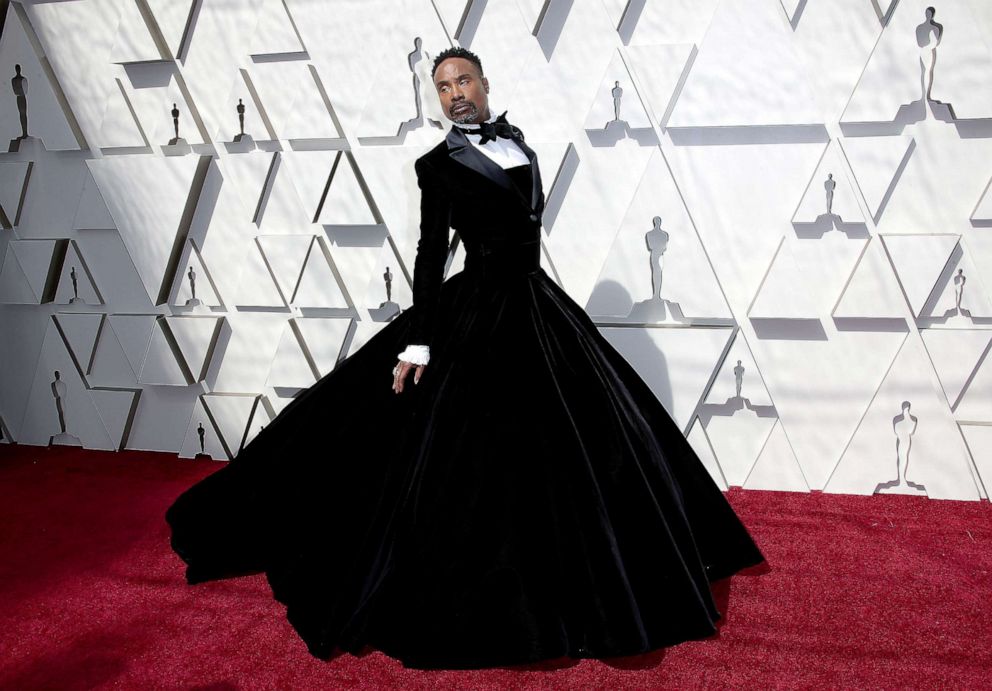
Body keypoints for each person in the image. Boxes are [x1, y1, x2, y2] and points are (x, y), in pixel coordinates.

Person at [165, 46, 766, 671]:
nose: (454, 92)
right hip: (477, 309)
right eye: (443, 85)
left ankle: (599, 573)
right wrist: (421, 339)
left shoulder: (524, 148)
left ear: (483, 82)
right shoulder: (438, 165)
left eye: (463, 80)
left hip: (539, 304)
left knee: (582, 443)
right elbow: (430, 253)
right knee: (471, 451)